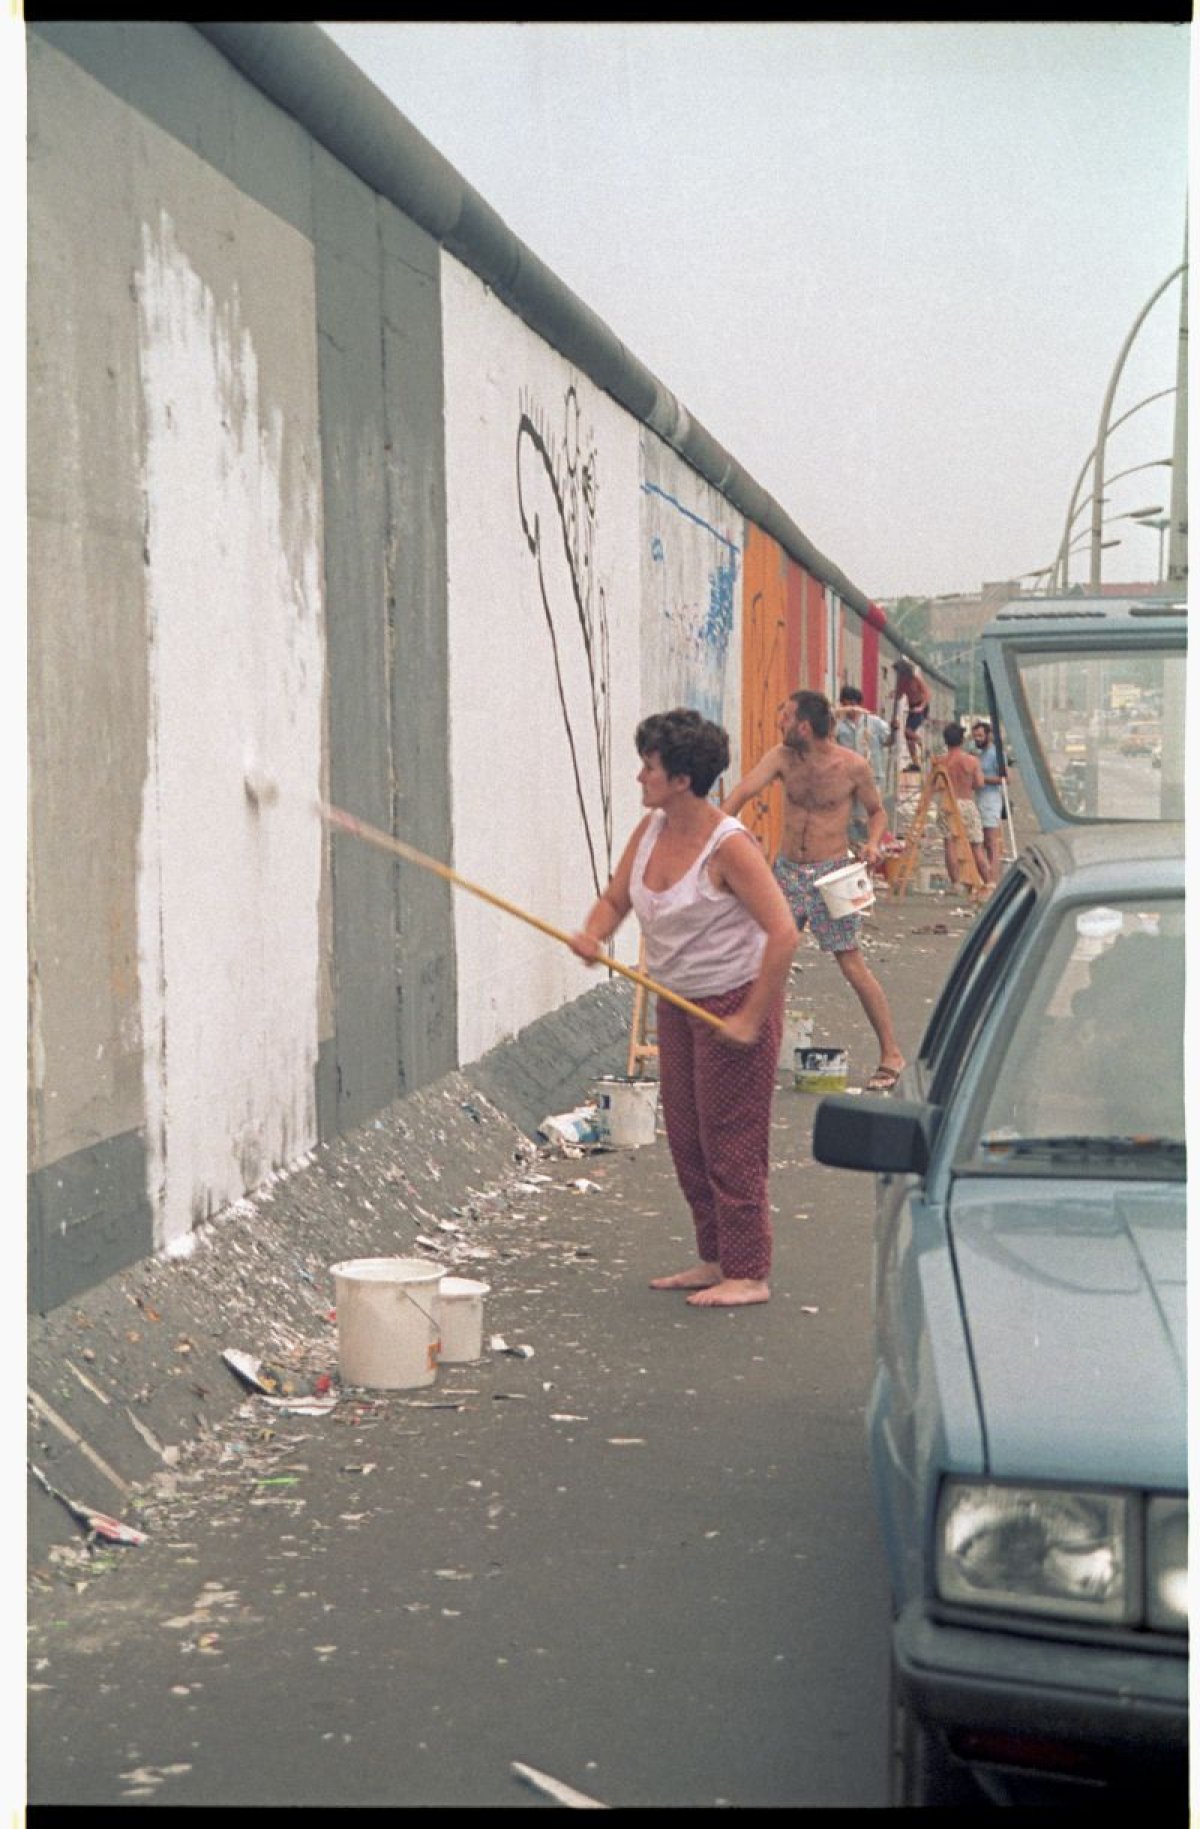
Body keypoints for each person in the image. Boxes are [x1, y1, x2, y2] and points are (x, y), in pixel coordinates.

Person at [570, 709, 799, 1309]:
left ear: (680, 779)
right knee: (689, 1138)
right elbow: (616, 898)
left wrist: (750, 1018)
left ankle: (749, 1272)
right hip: (676, 1001)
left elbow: (784, 933)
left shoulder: (730, 847)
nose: (639, 777)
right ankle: (714, 1258)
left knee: (732, 1139)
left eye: (648, 767)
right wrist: (592, 935)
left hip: (732, 1002)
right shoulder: (650, 831)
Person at [721, 689, 906, 1093]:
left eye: (785, 717)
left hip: (832, 875)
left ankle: (891, 1053)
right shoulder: (782, 758)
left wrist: (874, 844)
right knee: (764, 960)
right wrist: (715, 833)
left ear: (804, 725)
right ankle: (753, 1057)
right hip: (786, 873)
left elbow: (877, 812)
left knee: (851, 962)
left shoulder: (852, 766)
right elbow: (743, 792)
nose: (780, 724)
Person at [938, 722, 988, 886]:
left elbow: (936, 785)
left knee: (949, 843)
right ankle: (988, 882)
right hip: (966, 802)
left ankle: (956, 882)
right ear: (962, 740)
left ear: (946, 741)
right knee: (976, 845)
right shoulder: (972, 761)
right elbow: (980, 783)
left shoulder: (941, 762)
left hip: (948, 803)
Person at [970, 718, 1005, 884]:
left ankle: (993, 878)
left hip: (991, 799)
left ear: (988, 736)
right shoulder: (981, 755)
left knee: (991, 842)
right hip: (980, 799)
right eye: (975, 736)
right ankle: (988, 877)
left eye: (980, 736)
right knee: (983, 840)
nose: (977, 739)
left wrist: (982, 779)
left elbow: (1005, 779)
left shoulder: (995, 754)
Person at [887, 658, 931, 771]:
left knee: (908, 731)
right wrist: (894, 694)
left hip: (921, 706)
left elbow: (927, 694)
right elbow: (900, 695)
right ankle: (915, 762)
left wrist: (921, 707)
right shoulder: (902, 682)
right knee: (908, 737)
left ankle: (923, 745)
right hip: (912, 707)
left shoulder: (916, 679)